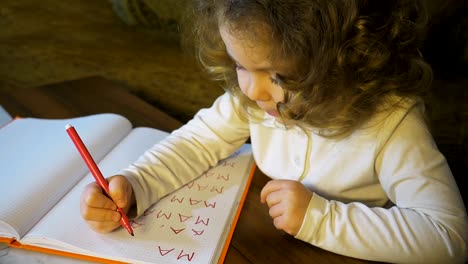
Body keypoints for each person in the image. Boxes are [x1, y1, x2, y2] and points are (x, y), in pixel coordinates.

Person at [80, 0, 468, 262]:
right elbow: (198, 141)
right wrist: (136, 185)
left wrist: (318, 218)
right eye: (240, 65)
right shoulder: (254, 99)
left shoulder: (392, 122)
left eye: (281, 75)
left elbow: (449, 238)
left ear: (352, 62)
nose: (251, 89)